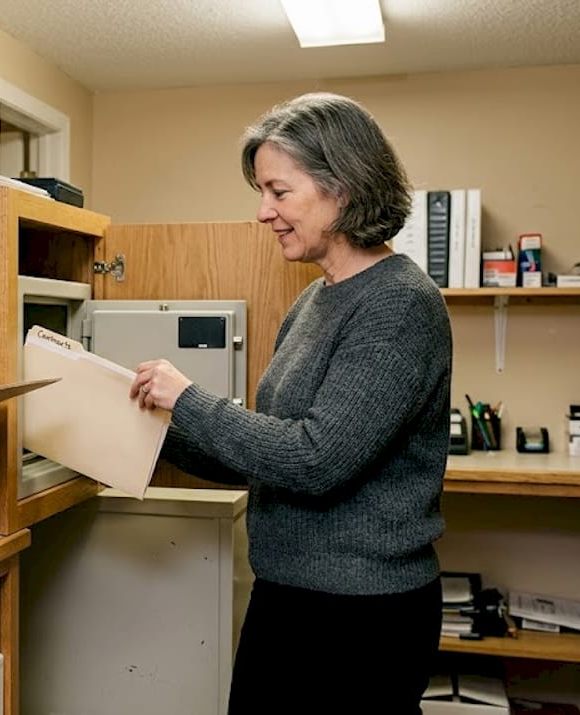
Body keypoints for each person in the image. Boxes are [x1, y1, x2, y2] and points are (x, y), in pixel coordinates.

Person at [129, 92, 452, 714]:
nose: (262, 212)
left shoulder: (400, 304)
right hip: (289, 594)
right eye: (261, 192)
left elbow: (316, 459)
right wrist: (150, 425)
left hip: (361, 616)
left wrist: (191, 399)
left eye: (279, 192)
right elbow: (269, 457)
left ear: (345, 189)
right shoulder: (313, 301)